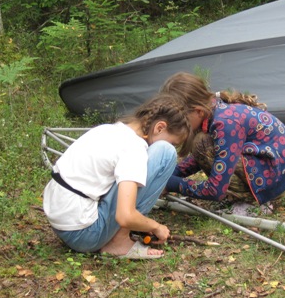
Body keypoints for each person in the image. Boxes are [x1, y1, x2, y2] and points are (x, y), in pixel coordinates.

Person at [43, 93, 191, 259]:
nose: (174, 147)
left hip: (62, 225)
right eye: (173, 142)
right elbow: (125, 216)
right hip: (84, 234)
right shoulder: (133, 148)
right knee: (165, 153)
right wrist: (156, 227)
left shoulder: (108, 129)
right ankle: (119, 242)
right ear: (159, 128)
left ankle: (115, 236)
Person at [161, 72, 285, 209]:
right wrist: (171, 173)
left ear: (198, 111)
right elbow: (202, 156)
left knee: (200, 142)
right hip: (279, 173)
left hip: (275, 184)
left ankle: (255, 202)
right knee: (202, 143)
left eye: (181, 120)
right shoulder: (217, 111)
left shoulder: (225, 123)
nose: (179, 126)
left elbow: (215, 190)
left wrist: (172, 184)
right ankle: (254, 194)